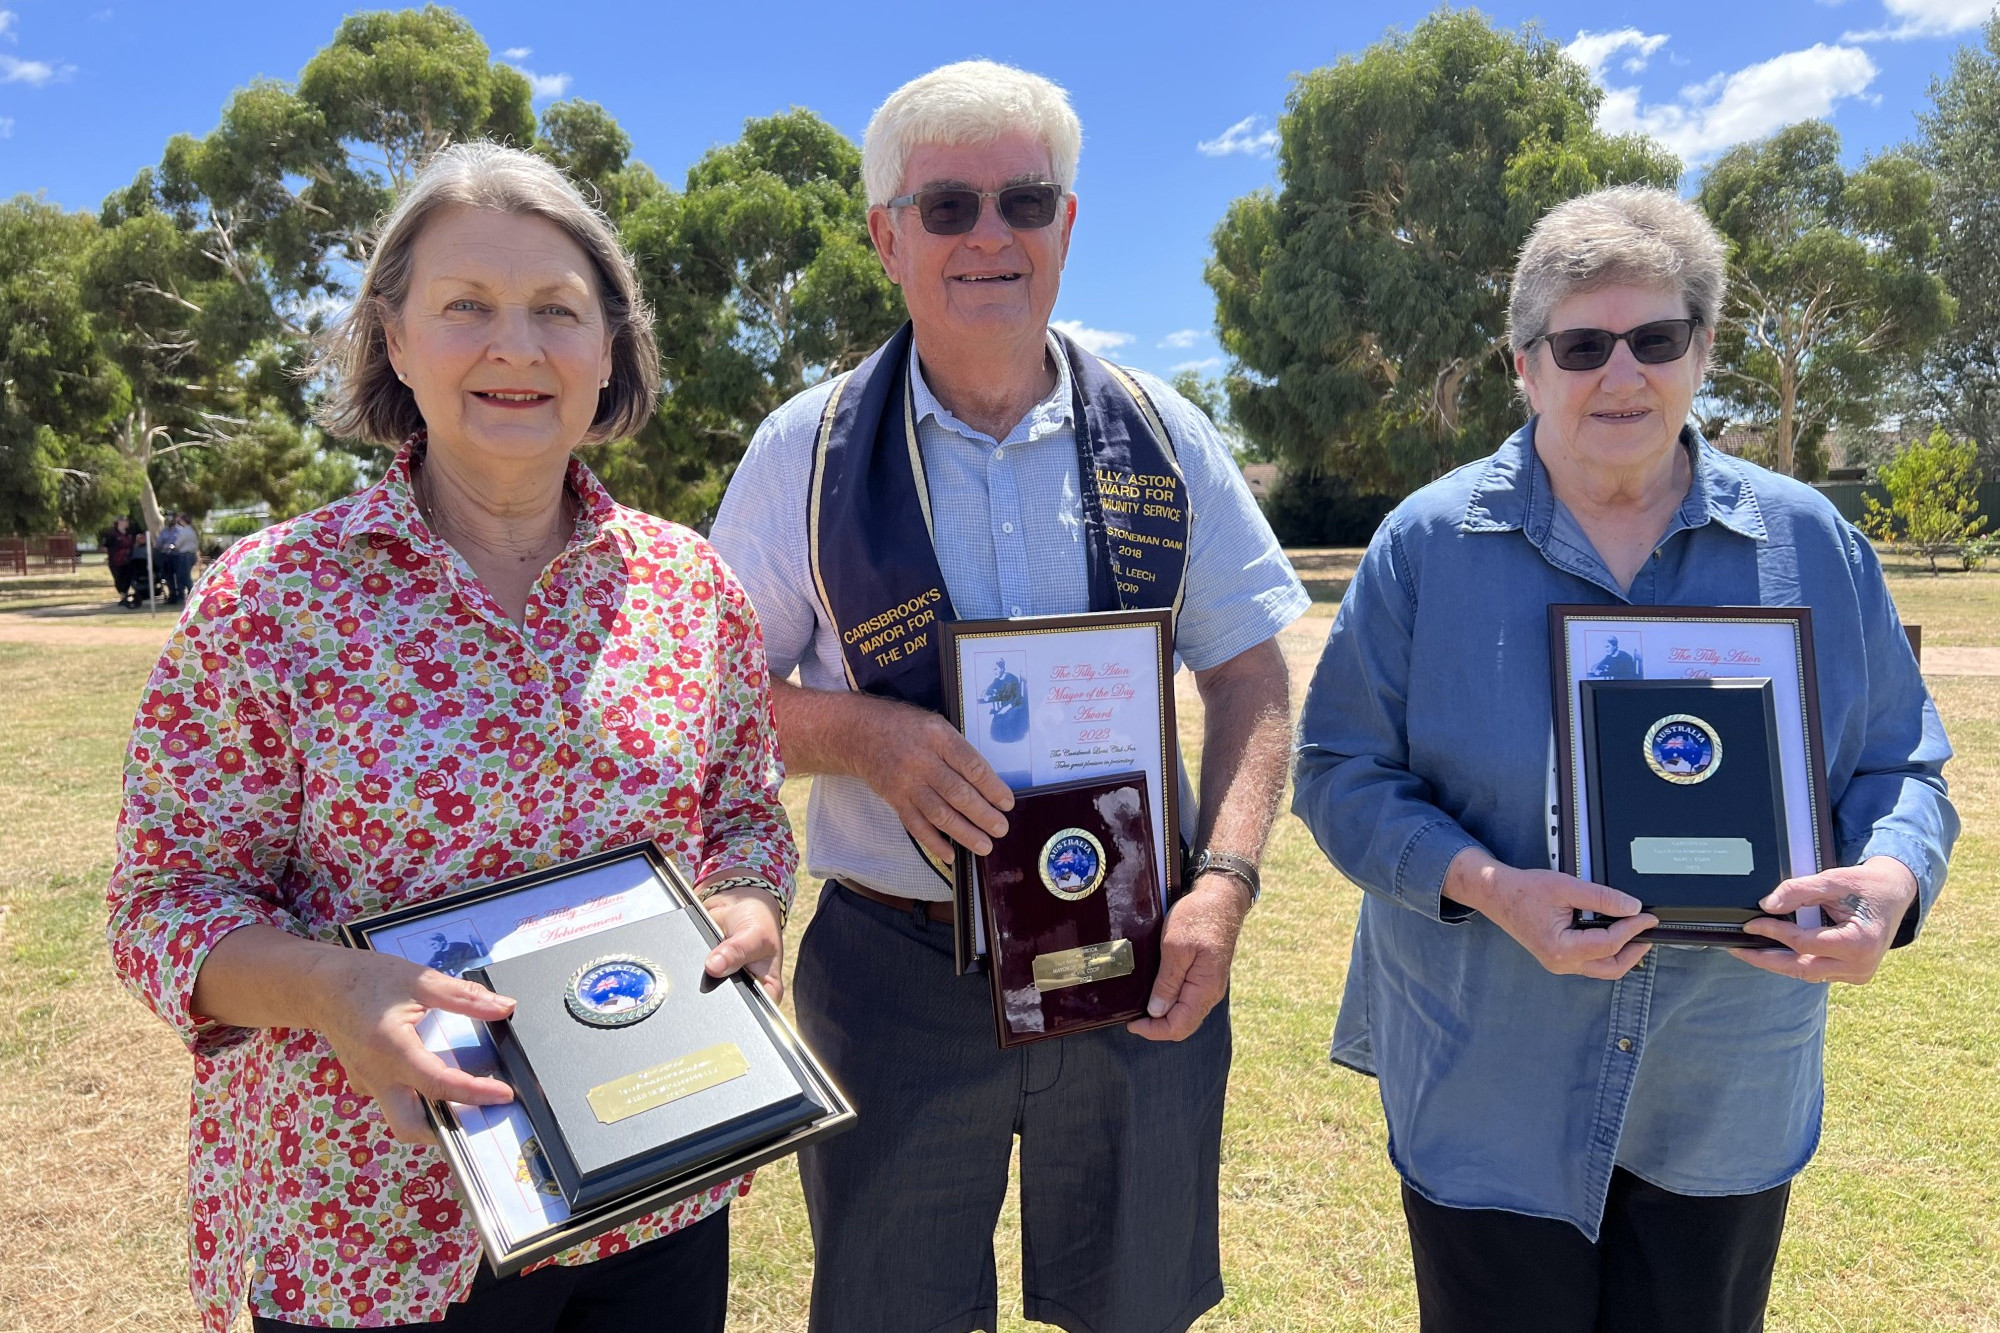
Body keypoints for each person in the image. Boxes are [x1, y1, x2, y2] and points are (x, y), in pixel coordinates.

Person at [106, 142, 796, 1333]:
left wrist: (747, 903)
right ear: (394, 336)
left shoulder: (693, 590)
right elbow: (164, 903)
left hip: (653, 1191)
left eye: (556, 310)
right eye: (466, 305)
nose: (515, 347)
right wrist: (331, 989)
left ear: (610, 346)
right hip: (366, 1228)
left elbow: (740, 818)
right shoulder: (274, 600)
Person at [1291, 186, 1958, 1333]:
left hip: (1722, 1081)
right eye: (1581, 344)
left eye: (1654, 339)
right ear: (1522, 365)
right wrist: (1489, 888)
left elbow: (1901, 767)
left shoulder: (1810, 544)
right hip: (1484, 1073)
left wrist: (1891, 882)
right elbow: (1338, 770)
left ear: (1701, 351)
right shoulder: (1426, 546)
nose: (1620, 374)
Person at [710, 60, 1307, 1333]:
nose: (990, 235)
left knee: (1134, 1304)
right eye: (946, 208)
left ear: (1068, 226)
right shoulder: (799, 453)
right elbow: (714, 697)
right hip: (897, 961)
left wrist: (1227, 879)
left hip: (1137, 943)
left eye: (1024, 202)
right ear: (885, 237)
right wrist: (864, 736)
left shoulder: (1163, 432)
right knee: (892, 1309)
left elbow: (1250, 672)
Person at [160, 510, 199, 601]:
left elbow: (178, 544)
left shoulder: (184, 531)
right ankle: (182, 595)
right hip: (191, 554)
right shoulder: (192, 530)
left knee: (184, 576)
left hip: (185, 555)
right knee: (183, 576)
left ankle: (192, 593)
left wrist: (170, 547)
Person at [102, 515, 136, 606]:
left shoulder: (129, 533)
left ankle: (124, 595)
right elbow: (105, 546)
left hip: (128, 560)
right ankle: (123, 595)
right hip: (115, 561)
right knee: (118, 579)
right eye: (125, 521)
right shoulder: (112, 534)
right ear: (120, 522)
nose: (127, 523)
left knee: (128, 578)